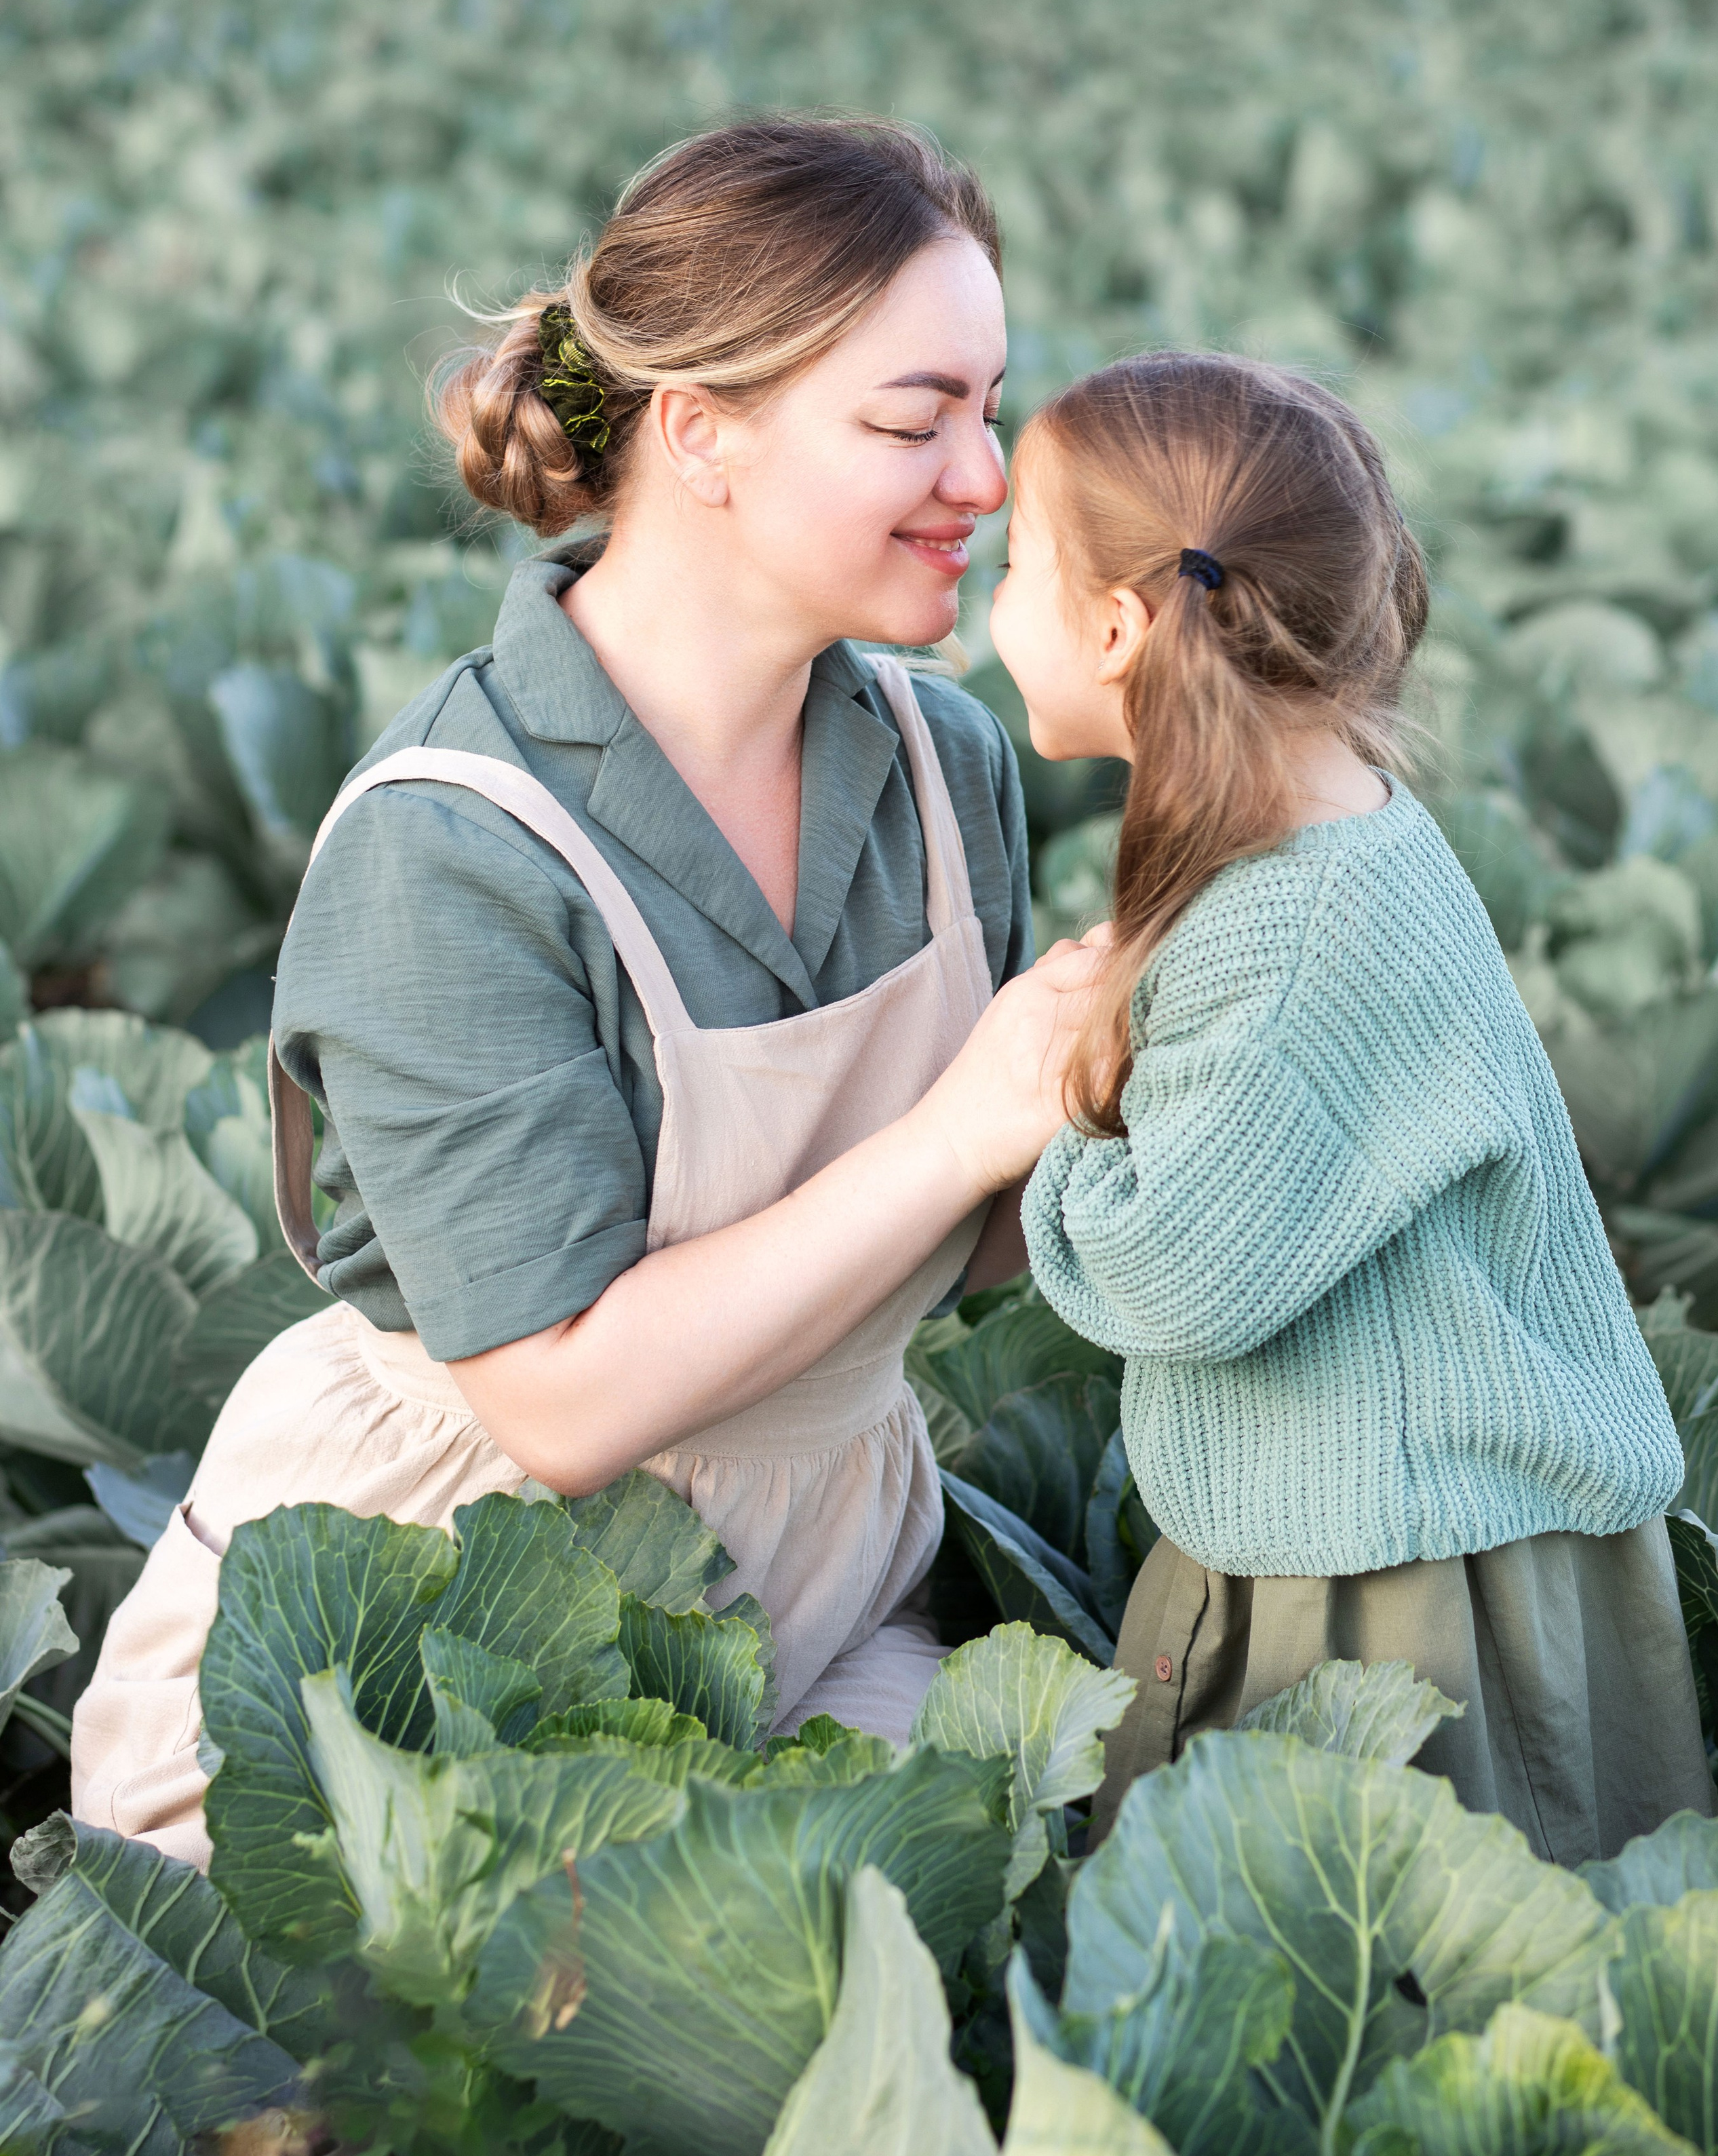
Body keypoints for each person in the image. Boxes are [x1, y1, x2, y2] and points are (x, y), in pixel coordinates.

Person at [72, 115, 1099, 1868]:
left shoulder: (951, 771)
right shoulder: (448, 846)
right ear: (699, 433)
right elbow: (561, 1403)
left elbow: (970, 1245)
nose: (986, 479)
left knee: (997, 1929)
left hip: (821, 1586)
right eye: (914, 420)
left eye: (987, 410)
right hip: (412, 1664)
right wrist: (970, 1124)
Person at [994, 348, 1716, 1867]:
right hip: (1446, 1523)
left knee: (1368, 1946)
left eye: (1011, 567)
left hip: (1380, 1593)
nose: (986, 608)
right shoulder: (1355, 834)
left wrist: (1052, 1110)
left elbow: (1172, 1277)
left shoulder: (1284, 929)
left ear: (1117, 628)